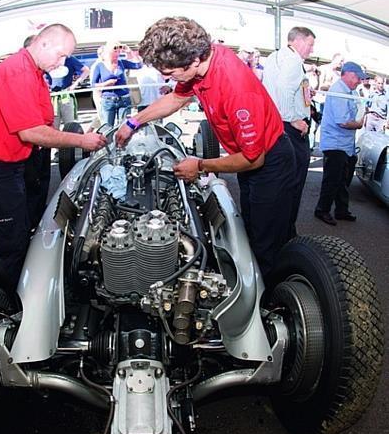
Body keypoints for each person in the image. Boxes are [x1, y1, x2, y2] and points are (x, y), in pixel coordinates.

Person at [116, 17, 297, 278]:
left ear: (194, 61)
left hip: (269, 162)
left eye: (168, 73)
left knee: (265, 243)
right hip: (251, 159)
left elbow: (253, 159)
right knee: (255, 225)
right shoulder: (203, 61)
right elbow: (177, 98)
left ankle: (272, 302)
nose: (165, 77)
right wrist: (133, 122)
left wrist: (200, 166)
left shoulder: (236, 90)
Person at [0, 23, 107, 286]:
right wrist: (82, 140)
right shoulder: (17, 73)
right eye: (61, 54)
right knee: (13, 243)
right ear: (43, 44)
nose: (63, 62)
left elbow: (43, 119)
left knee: (27, 226)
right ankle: (12, 306)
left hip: (17, 164)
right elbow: (31, 132)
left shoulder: (35, 73)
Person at [263, 26, 316, 236]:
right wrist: (294, 118)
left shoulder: (275, 57)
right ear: (299, 41)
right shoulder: (294, 61)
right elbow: (284, 89)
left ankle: (278, 229)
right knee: (293, 184)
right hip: (291, 129)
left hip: (275, 125)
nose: (311, 50)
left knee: (280, 182)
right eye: (310, 44)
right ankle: (286, 233)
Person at [314, 62, 368, 225]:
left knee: (343, 179)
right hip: (335, 144)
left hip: (344, 144)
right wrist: (359, 124)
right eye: (358, 78)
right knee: (332, 180)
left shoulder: (348, 91)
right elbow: (343, 121)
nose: (359, 81)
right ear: (350, 74)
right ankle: (322, 210)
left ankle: (341, 210)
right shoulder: (339, 92)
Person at [91, 41, 142, 127]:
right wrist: (105, 84)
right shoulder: (99, 66)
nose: (117, 54)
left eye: (119, 51)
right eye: (115, 51)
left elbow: (138, 65)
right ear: (108, 52)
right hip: (108, 100)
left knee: (124, 126)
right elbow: (93, 84)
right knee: (107, 127)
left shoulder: (121, 62)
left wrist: (129, 52)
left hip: (124, 99)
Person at [47, 56, 90, 128]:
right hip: (52, 97)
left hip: (66, 95)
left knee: (69, 125)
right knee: (53, 126)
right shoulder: (48, 58)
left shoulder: (70, 59)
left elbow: (86, 70)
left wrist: (75, 84)